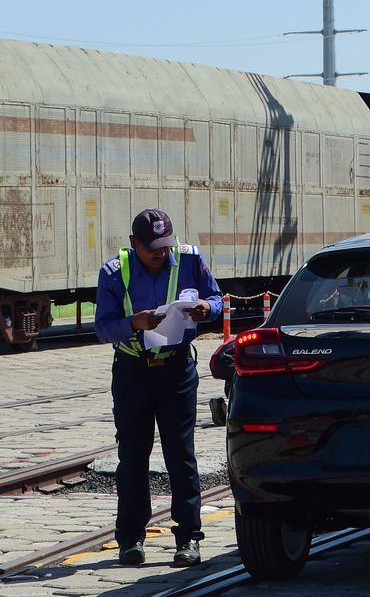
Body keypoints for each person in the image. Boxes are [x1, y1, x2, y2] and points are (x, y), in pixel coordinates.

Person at [94, 209, 223, 568]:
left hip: (176, 370)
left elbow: (217, 300)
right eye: (152, 248)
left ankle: (188, 539)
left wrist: (203, 307)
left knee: (180, 455)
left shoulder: (190, 261)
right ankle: (131, 539)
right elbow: (103, 328)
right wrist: (132, 323)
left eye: (165, 246)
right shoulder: (114, 272)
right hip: (133, 370)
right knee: (132, 457)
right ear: (133, 243)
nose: (160, 254)